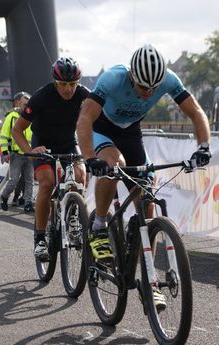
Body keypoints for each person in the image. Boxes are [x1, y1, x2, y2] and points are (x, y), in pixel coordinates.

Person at [76, 44, 211, 310]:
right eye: (143, 87)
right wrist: (90, 157)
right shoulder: (112, 78)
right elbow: (84, 119)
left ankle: (149, 279)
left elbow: (195, 111)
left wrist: (204, 147)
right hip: (102, 130)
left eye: (153, 88)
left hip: (131, 134)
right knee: (115, 165)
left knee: (147, 204)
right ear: (132, 77)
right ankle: (99, 225)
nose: (148, 93)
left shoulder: (169, 79)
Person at [11, 57, 90, 261]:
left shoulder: (84, 95)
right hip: (43, 144)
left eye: (73, 84)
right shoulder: (41, 97)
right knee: (47, 183)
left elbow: (99, 122)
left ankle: (73, 219)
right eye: (63, 84)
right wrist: (31, 150)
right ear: (55, 82)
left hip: (67, 143)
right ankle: (39, 238)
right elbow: (17, 130)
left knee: (80, 176)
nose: (68, 89)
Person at [0, 91, 35, 213]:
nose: (26, 106)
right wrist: (5, 153)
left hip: (30, 154)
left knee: (30, 180)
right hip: (16, 154)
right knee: (14, 179)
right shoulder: (11, 117)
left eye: (28, 104)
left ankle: (27, 202)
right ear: (19, 103)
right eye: (24, 104)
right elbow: (4, 136)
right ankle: (4, 196)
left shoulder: (33, 116)